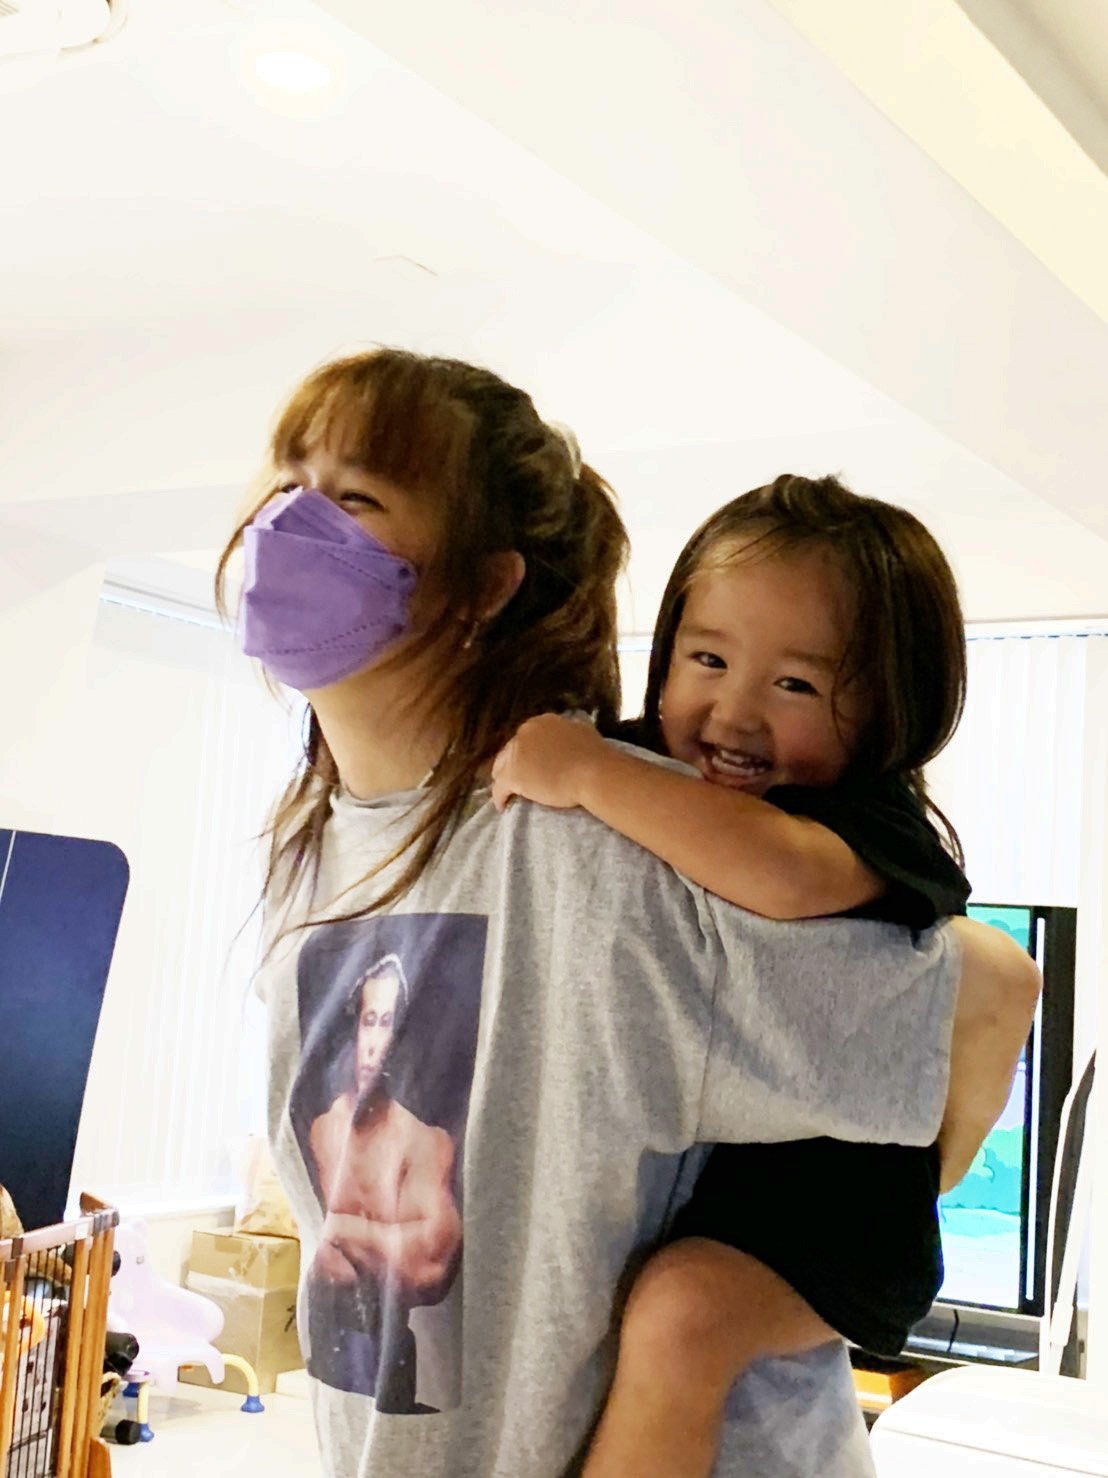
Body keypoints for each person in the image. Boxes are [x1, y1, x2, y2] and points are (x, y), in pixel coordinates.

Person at [220, 349, 1037, 1477]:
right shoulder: (311, 850)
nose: (290, 523)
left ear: (485, 583)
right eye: (287, 481)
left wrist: (912, 1185)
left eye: (353, 497)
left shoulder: (602, 837)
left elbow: (984, 983)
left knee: (684, 1319)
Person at [490, 474, 1041, 1476]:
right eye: (706, 659)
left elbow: (780, 873)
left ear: (890, 711)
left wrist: (585, 770)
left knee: (683, 1315)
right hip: (700, 1171)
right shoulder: (654, 766)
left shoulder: (871, 819)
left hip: (833, 1217)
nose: (733, 712)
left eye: (795, 685)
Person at [306, 953, 463, 1409]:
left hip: (394, 1357)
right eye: (370, 1021)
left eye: (388, 1024)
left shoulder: (425, 1143)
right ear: (356, 1029)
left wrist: (341, 1228)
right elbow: (322, 1263)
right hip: (325, 1356)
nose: (375, 1042)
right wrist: (389, 1241)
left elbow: (427, 1271)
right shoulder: (324, 1130)